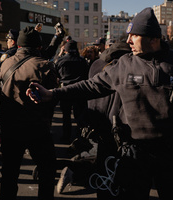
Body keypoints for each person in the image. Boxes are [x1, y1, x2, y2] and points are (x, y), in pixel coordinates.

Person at [27, 7, 173, 200]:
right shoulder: (124, 64)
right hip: (135, 153)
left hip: (170, 153)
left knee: (171, 194)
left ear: (153, 39)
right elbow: (90, 86)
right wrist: (53, 94)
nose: (128, 40)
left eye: (134, 35)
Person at [57, 41, 132, 198]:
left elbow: (89, 86)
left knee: (98, 160)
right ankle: (73, 171)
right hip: (116, 123)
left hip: (94, 118)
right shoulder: (125, 69)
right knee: (112, 165)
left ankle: (74, 171)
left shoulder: (96, 64)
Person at [0, 26, 59, 200]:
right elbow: (53, 99)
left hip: (9, 129)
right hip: (37, 128)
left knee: (9, 174)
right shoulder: (45, 66)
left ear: (19, 45)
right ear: (38, 46)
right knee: (47, 172)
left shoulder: (4, 63)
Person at [55, 40, 90, 143]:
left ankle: (66, 137)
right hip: (79, 90)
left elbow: (56, 75)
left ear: (65, 49)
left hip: (65, 90)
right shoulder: (82, 61)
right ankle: (80, 137)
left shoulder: (60, 61)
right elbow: (86, 75)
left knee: (66, 116)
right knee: (79, 116)